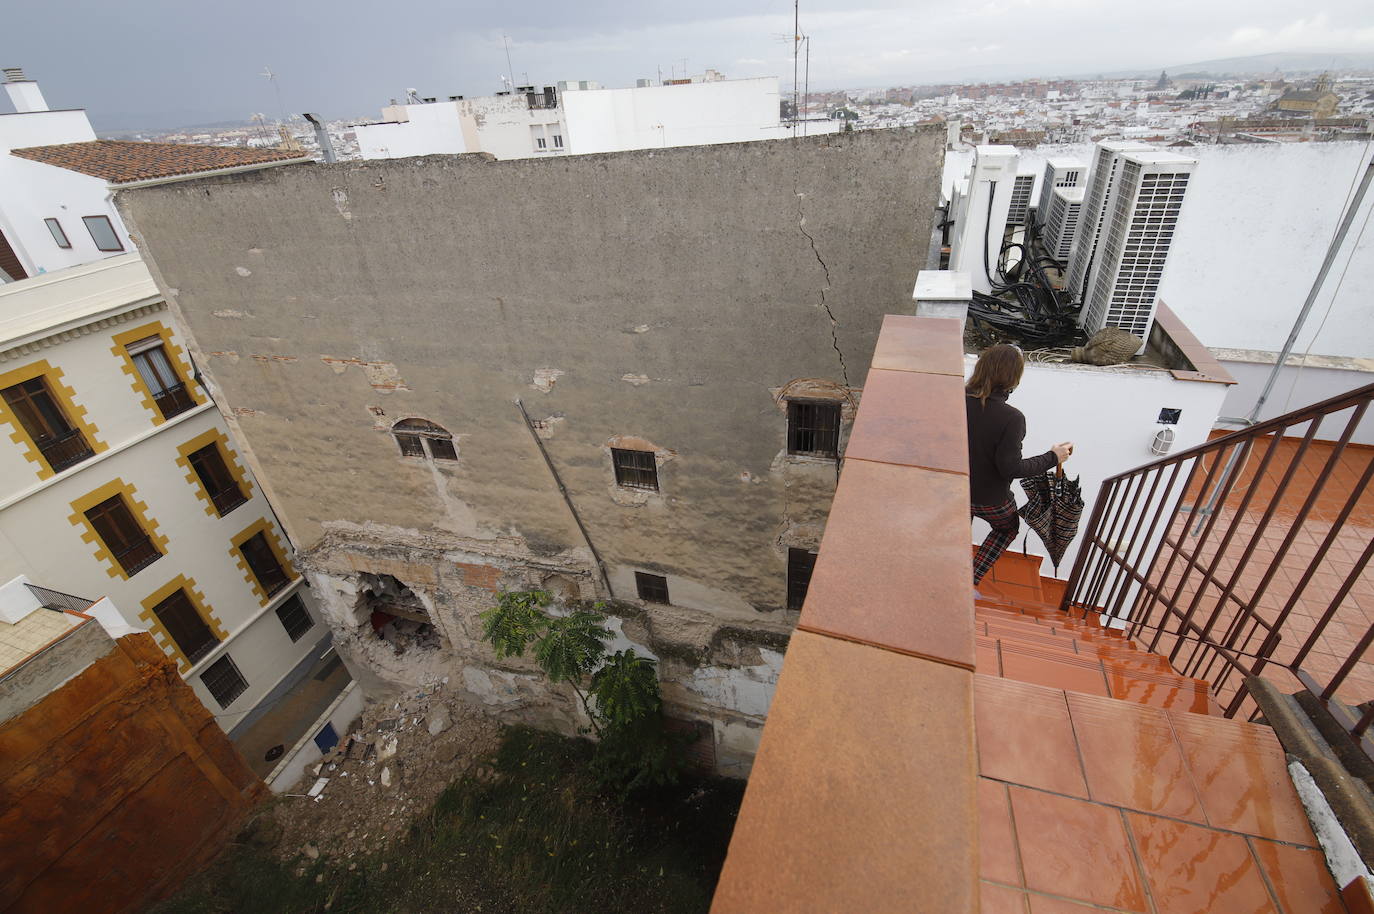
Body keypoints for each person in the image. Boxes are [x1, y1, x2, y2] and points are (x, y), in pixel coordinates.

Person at [966, 344, 1073, 587]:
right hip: (990, 499)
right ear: (1013, 379)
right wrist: (1053, 457)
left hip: (954, 490)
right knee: (1007, 528)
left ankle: (951, 565)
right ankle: (970, 577)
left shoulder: (957, 399)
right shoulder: (1011, 417)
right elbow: (1010, 469)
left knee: (961, 523)